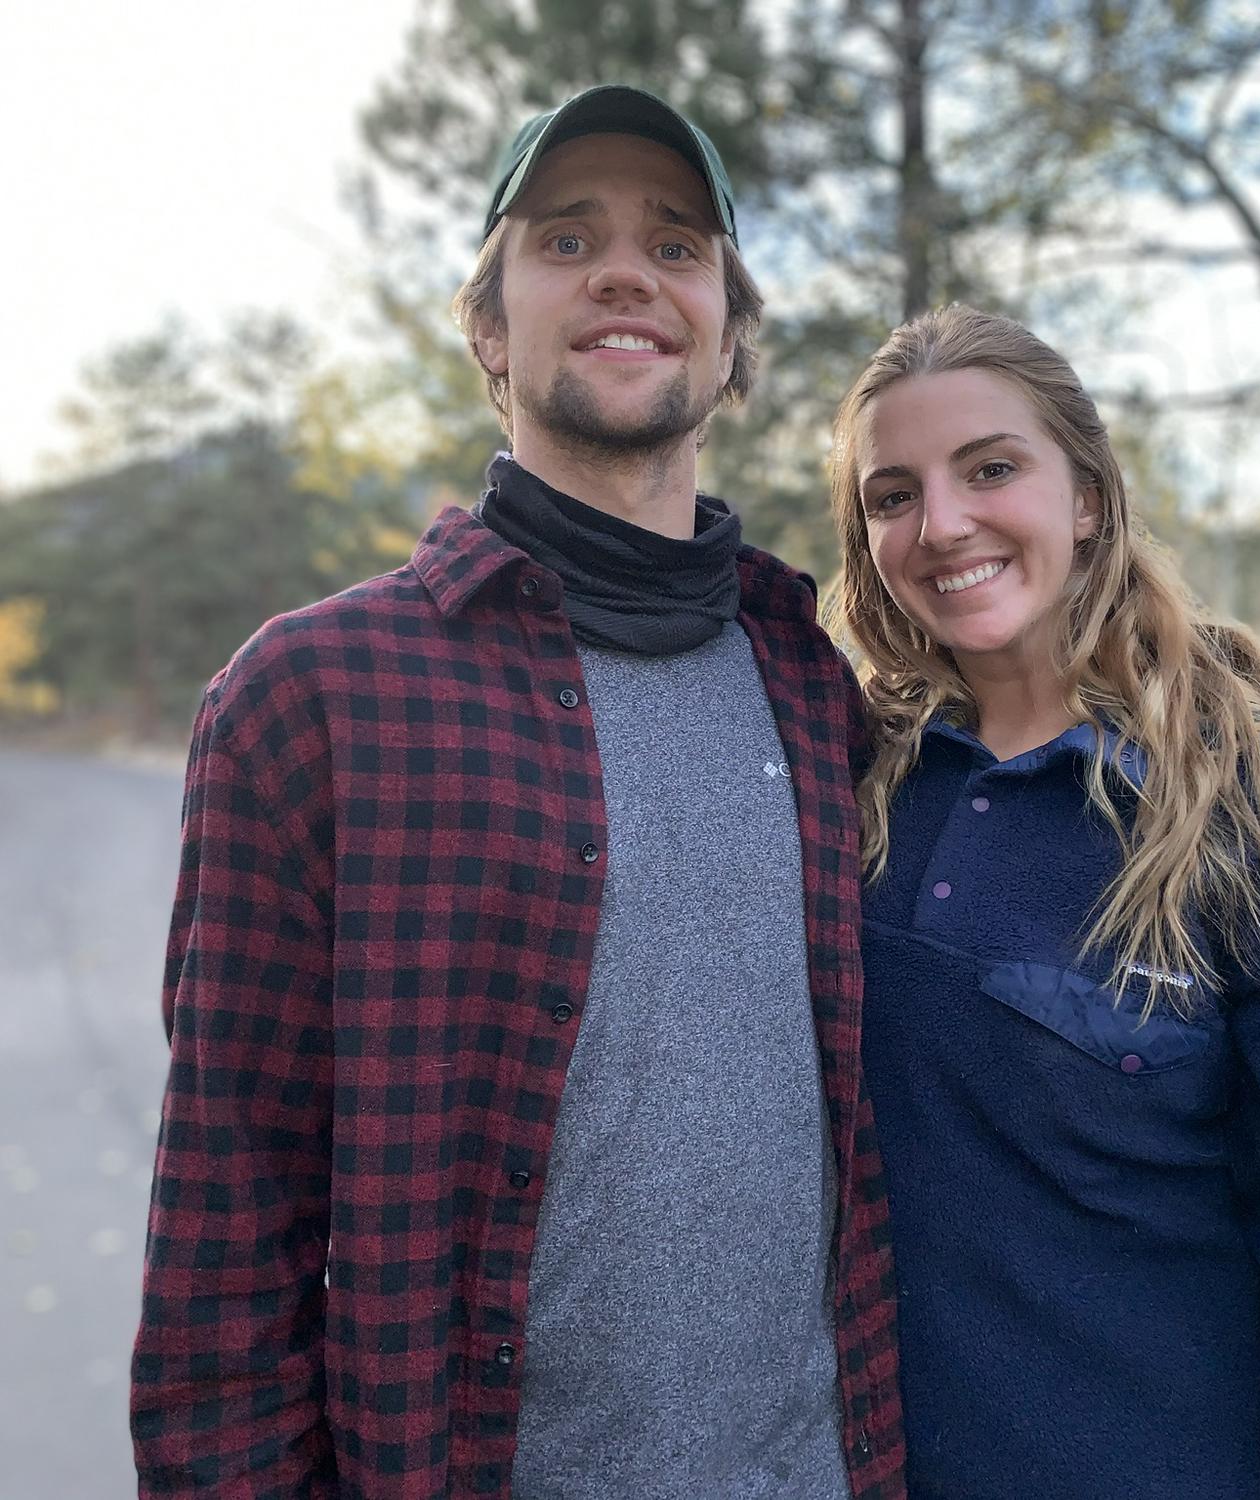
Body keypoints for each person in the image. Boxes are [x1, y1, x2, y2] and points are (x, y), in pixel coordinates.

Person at [131, 85, 904, 1500]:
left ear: (730, 340)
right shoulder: (312, 701)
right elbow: (222, 1251)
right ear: (489, 328)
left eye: (680, 247)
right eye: (566, 240)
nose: (628, 271)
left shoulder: (816, 691)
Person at [825, 303, 1260, 1499]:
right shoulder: (856, 785)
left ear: (1087, 497)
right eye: (892, 493)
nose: (943, 522)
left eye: (992, 469)